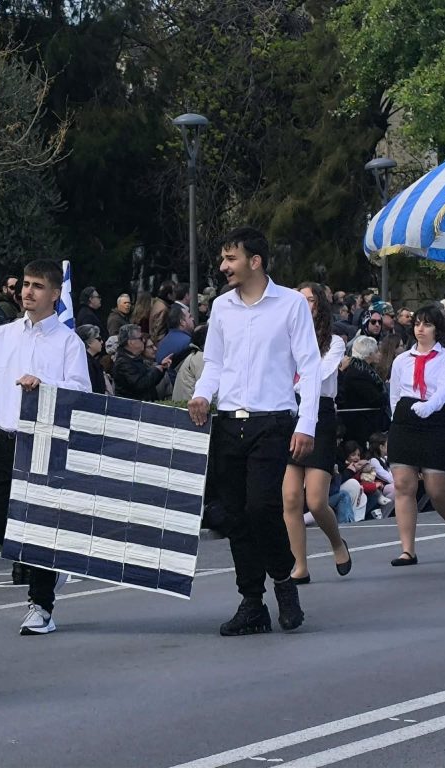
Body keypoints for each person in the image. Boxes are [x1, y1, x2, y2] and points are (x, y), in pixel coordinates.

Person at [188, 226, 319, 636]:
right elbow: (215, 362)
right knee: (233, 514)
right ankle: (251, 602)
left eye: (231, 259)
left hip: (273, 419)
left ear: (254, 261)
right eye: (223, 258)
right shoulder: (223, 308)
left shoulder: (291, 304)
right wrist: (203, 396)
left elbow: (310, 366)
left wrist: (307, 422)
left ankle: (284, 581)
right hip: (229, 421)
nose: (223, 266)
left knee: (262, 506)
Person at [0, 259, 91, 635]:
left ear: (54, 294)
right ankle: (49, 570)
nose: (27, 292)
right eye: (25, 285)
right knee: (2, 523)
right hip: (7, 440)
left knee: (39, 528)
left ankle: (41, 605)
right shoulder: (3, 336)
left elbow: (82, 392)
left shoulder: (68, 342)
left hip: (47, 442)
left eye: (36, 286)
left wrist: (44, 383)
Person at [281, 283, 351, 584]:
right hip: (290, 412)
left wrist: (290, 386)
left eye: (308, 300)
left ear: (319, 306)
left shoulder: (334, 342)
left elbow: (318, 374)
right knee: (291, 497)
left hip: (319, 413)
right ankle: (299, 565)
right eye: (299, 300)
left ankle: (337, 542)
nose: (303, 305)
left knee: (317, 500)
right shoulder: (286, 339)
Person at [386, 304, 445, 567]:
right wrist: (398, 418)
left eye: (427, 324)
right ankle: (407, 549)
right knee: (403, 485)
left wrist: (429, 407)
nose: (421, 328)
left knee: (436, 488)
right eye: (418, 323)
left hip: (436, 418)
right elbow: (395, 393)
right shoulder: (402, 360)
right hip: (406, 420)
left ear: (437, 328)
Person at [336, 335, 387, 449]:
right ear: (369, 354)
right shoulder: (359, 373)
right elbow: (375, 398)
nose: (379, 354)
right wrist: (384, 395)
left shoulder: (363, 370)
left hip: (363, 421)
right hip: (359, 424)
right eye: (376, 351)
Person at [112, 324, 173, 401]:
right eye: (140, 338)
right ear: (131, 342)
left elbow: (149, 382)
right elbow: (140, 384)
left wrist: (162, 368)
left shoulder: (136, 358)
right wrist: (156, 370)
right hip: (132, 409)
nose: (143, 340)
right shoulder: (122, 363)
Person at [172, 324, 207, 403]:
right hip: (190, 408)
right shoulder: (199, 357)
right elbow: (207, 387)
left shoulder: (193, 354)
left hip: (183, 405)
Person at [76, 324, 108, 395]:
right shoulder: (85, 363)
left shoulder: (91, 361)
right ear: (89, 342)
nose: (102, 342)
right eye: (99, 339)